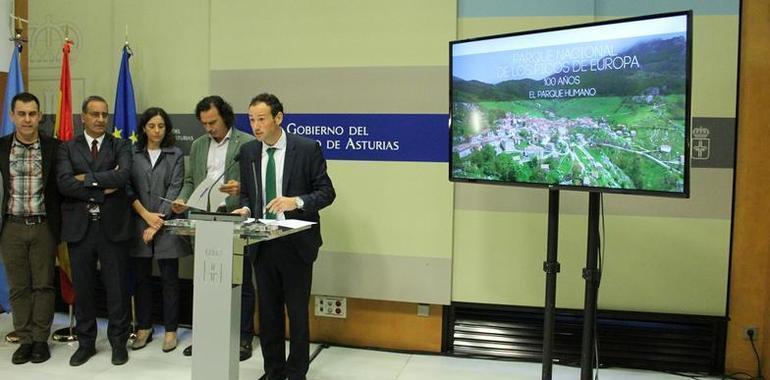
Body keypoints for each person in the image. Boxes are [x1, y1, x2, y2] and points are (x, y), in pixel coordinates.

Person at [233, 93, 335, 380]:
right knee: (268, 314)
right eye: (252, 119)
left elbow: (327, 193)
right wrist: (244, 208)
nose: (256, 125)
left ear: (278, 118)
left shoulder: (306, 149)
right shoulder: (250, 152)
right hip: (262, 243)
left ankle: (297, 371)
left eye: (262, 119)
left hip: (296, 243)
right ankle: (273, 370)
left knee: (297, 313)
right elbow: (248, 193)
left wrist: (296, 202)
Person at [169, 95, 254, 358]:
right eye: (204, 123)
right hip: (204, 219)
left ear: (225, 117)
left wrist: (240, 189)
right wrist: (183, 198)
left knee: (241, 283)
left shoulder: (247, 143)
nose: (209, 128)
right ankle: (206, 335)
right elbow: (191, 180)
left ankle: (242, 338)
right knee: (206, 281)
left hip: (234, 218)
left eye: (213, 122)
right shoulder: (197, 145)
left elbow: (256, 185)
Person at [57, 95, 133, 366]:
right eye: (95, 114)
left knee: (117, 290)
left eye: (104, 114)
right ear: (83, 117)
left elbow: (122, 176)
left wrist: (85, 180)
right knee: (84, 289)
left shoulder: (120, 144)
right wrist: (102, 187)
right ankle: (86, 343)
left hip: (112, 228)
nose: (101, 119)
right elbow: (65, 184)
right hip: (80, 229)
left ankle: (118, 343)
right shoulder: (67, 148)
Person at [0, 92, 61, 364]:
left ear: (39, 116)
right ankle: (24, 339)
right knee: (19, 287)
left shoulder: (54, 148)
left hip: (43, 227)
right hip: (10, 227)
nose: (27, 119)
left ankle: (40, 340)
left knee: (44, 286)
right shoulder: (0, 147)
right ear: (12, 116)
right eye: (21, 113)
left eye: (32, 113)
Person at [126, 107, 189, 353]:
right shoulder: (132, 154)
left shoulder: (175, 154)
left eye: (161, 126)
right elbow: (128, 188)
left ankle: (171, 330)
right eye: (152, 126)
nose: (156, 131)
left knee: (170, 280)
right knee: (141, 280)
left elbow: (175, 189)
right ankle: (144, 327)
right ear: (144, 128)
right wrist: (146, 217)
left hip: (166, 225)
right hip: (139, 224)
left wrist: (157, 222)